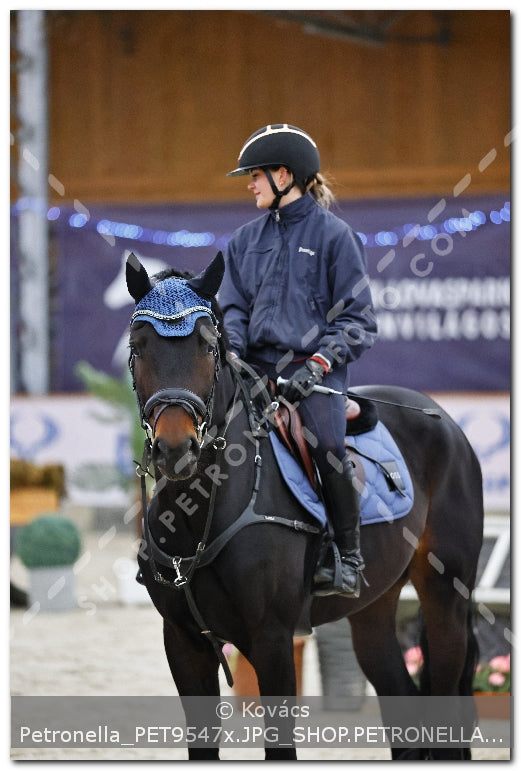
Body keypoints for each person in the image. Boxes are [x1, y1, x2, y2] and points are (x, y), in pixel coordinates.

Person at [219, 124, 378, 598]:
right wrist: (231, 351)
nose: (249, 184)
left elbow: (357, 320)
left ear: (284, 175)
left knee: (326, 446)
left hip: (316, 377)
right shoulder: (243, 241)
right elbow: (233, 307)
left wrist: (317, 365)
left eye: (255, 176)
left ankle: (347, 557)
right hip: (253, 371)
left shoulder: (335, 237)